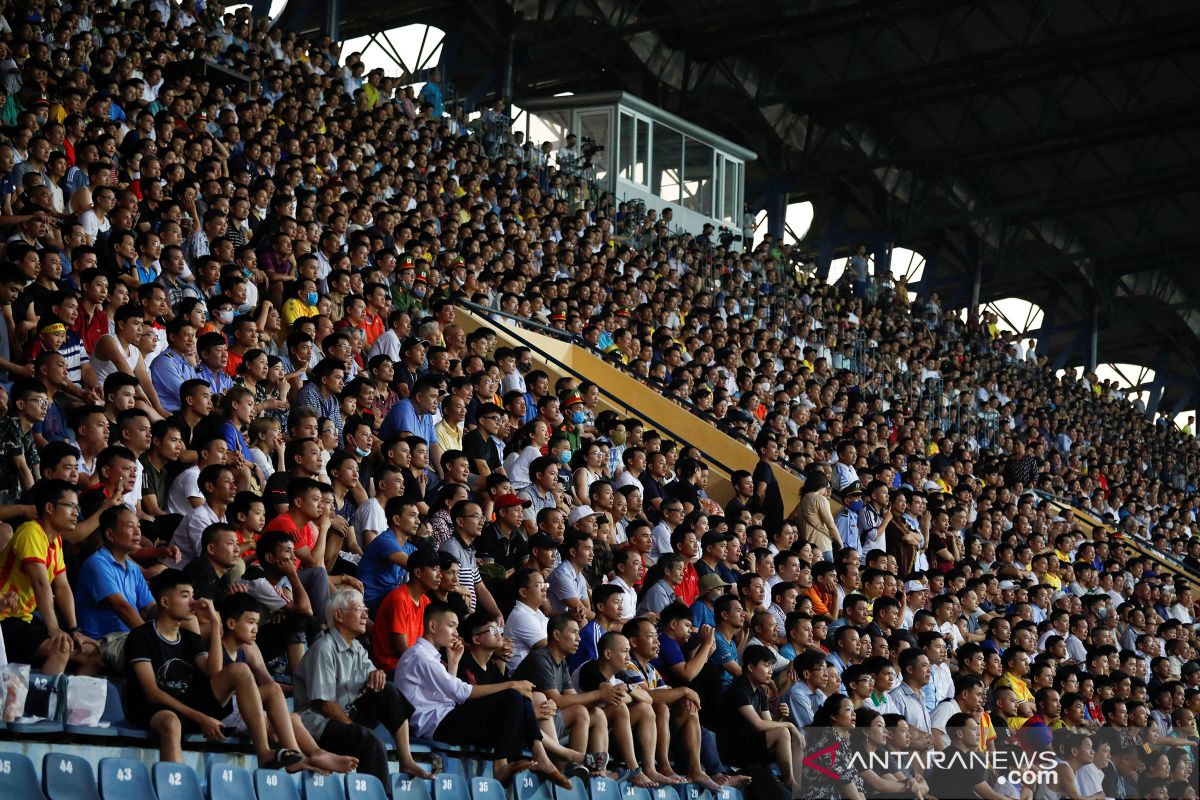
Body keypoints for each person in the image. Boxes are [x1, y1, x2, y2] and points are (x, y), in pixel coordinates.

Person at [124, 568, 304, 769]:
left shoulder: (191, 638)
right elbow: (151, 692)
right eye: (185, 596)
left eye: (193, 595)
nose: (193, 602)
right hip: (152, 708)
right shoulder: (142, 636)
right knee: (171, 722)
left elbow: (214, 671)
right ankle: (177, 785)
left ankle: (264, 752)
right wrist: (201, 718)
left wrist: (216, 623)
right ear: (165, 602)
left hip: (189, 704)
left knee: (240, 670)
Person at [396, 602, 573, 788]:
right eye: (451, 626)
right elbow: (459, 692)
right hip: (436, 725)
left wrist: (453, 663)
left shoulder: (431, 657)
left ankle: (541, 756)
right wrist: (511, 684)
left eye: (456, 627)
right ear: (432, 626)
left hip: (446, 720)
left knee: (519, 701)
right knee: (513, 695)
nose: (456, 632)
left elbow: (451, 697)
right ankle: (504, 765)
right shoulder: (420, 656)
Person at [293, 587, 432, 786]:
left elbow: (375, 680)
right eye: (359, 609)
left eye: (366, 609)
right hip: (319, 725)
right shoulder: (324, 648)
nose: (366, 614)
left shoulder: (357, 648)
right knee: (370, 742)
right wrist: (355, 728)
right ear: (339, 615)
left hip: (346, 714)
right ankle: (382, 795)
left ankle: (406, 759)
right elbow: (325, 705)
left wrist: (379, 673)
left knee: (388, 690)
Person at [0, 479, 101, 675]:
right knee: (60, 648)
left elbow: (62, 588)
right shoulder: (31, 531)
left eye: (77, 507)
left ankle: (71, 705)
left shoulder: (56, 543)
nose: (76, 513)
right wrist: (54, 629)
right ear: (49, 507)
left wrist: (73, 629)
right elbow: (40, 583)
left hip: (25, 618)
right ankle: (42, 705)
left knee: (92, 653)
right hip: (5, 618)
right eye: (70, 506)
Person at [716, 645, 806, 795]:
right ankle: (790, 781)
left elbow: (768, 724)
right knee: (784, 731)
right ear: (751, 667)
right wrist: (790, 724)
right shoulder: (740, 688)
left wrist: (780, 717)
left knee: (788, 734)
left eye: (771, 665)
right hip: (733, 748)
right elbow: (758, 724)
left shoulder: (760, 692)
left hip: (752, 744)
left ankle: (797, 780)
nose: (770, 670)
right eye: (766, 665)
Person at [74, 505, 155, 640]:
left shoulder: (132, 568)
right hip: (106, 640)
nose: (137, 532)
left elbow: (151, 607)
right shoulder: (96, 563)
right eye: (130, 526)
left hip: (129, 637)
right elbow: (121, 608)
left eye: (138, 526)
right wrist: (155, 640)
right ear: (110, 535)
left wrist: (174, 615)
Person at [372, 547, 440, 671]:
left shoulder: (426, 601)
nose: (440, 575)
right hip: (393, 668)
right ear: (418, 573)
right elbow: (402, 651)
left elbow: (430, 642)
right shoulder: (399, 599)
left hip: (413, 664)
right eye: (435, 569)